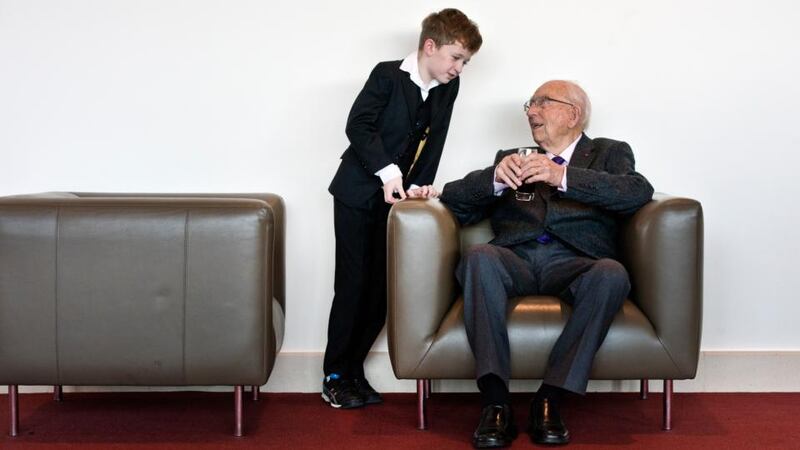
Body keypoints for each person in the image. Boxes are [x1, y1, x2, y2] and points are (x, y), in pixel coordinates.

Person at [439, 80, 654, 447]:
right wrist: (493, 179)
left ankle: (550, 398)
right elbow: (455, 202)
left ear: (573, 114)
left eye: (542, 103)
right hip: (515, 257)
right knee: (478, 257)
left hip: (577, 261)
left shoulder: (608, 152)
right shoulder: (512, 155)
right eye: (529, 104)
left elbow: (636, 192)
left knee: (612, 274)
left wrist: (563, 175)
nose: (531, 112)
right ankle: (495, 403)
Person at [324, 8, 482, 409]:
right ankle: (335, 376)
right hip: (358, 193)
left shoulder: (448, 88)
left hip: (398, 201)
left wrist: (417, 184)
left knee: (383, 289)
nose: (459, 68)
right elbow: (357, 126)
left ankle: (354, 371)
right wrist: (389, 173)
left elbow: (437, 139)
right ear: (430, 46)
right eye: (455, 57)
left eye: (465, 62)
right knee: (353, 285)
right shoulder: (386, 74)